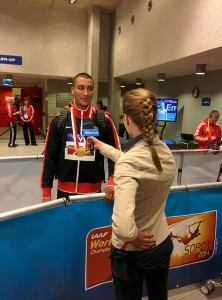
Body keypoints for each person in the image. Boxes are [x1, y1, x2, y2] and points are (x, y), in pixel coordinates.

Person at [89, 88, 176, 300]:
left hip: (132, 254)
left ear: (126, 119)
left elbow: (124, 227)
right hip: (162, 243)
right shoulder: (163, 150)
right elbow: (137, 163)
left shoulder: (133, 161)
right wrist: (103, 147)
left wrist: (132, 235)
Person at [41, 72, 120, 202]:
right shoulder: (59, 121)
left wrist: (112, 183)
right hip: (64, 192)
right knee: (65, 223)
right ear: (73, 90)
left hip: (94, 192)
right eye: (81, 88)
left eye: (90, 88)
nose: (86, 93)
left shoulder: (103, 121)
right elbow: (50, 158)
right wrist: (46, 193)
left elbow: (115, 156)